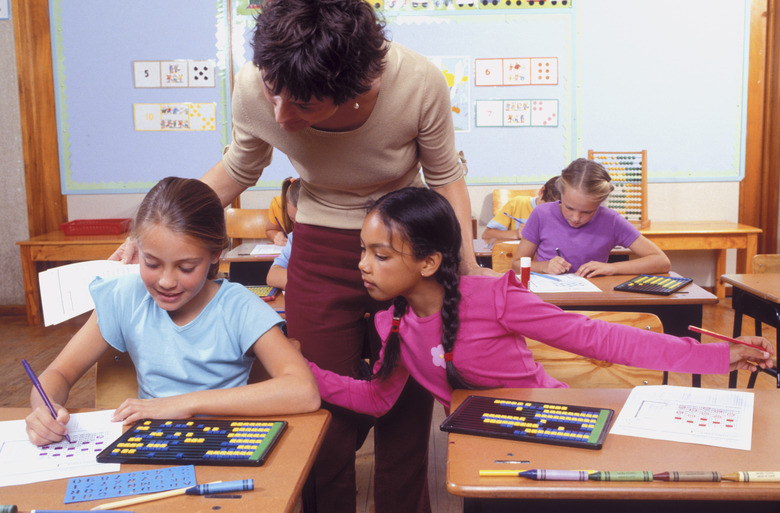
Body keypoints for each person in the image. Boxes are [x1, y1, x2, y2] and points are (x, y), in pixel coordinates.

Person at [109, 1, 488, 511]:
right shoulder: (255, 84)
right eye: (274, 92)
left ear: (356, 86)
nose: (283, 118)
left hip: (401, 245)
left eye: (305, 106)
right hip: (318, 243)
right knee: (320, 400)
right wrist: (155, 230)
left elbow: (444, 177)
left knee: (405, 404)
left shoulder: (418, 82)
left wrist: (466, 269)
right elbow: (238, 168)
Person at [307, 187, 774, 418]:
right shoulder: (392, 321)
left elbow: (599, 339)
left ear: (429, 262)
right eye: (363, 252)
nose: (364, 265)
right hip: (485, 437)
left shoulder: (494, 297)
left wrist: (716, 355)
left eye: (380, 254)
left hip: (554, 420)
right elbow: (376, 398)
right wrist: (299, 369)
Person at [26, 177, 320, 446]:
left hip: (224, 448)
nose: (166, 281)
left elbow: (303, 390)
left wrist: (185, 403)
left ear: (216, 253)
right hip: (150, 446)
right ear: (136, 248)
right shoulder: (124, 297)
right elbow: (59, 373)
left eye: (186, 267)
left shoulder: (238, 306)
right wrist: (43, 409)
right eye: (152, 263)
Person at [514, 158, 671, 277]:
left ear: (600, 203)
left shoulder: (611, 220)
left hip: (593, 301)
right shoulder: (542, 214)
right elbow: (516, 264)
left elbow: (661, 261)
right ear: (560, 194)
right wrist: (544, 266)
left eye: (587, 212)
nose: (576, 218)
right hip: (550, 300)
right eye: (569, 207)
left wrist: (612, 268)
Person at [481, 176, 559, 243]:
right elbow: (487, 234)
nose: (548, 212)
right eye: (546, 206)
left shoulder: (565, 211)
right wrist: (516, 234)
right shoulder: (516, 204)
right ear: (541, 191)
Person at [266, 178, 301, 290]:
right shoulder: (294, 237)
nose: (297, 226)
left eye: (302, 220)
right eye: (292, 220)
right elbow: (272, 275)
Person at [265, 176, 300, 247]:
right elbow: (270, 230)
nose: (296, 225)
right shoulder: (278, 204)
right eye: (292, 218)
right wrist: (276, 236)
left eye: (300, 219)